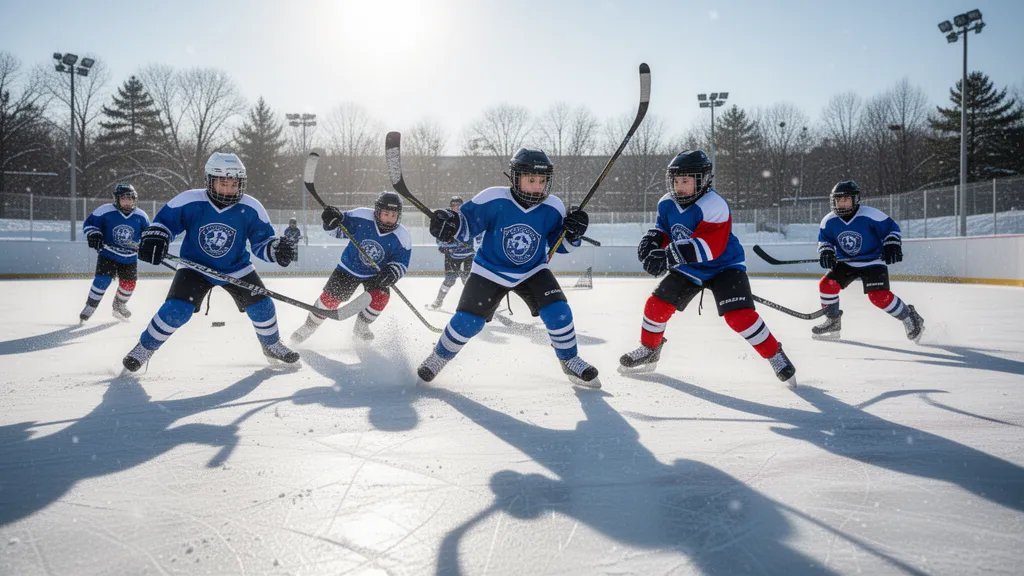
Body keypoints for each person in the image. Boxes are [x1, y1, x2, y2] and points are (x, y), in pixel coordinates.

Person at [417, 148, 600, 388]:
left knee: (559, 312)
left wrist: (574, 232)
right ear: (515, 177)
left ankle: (570, 359)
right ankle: (438, 358)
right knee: (468, 321)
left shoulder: (554, 207)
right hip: (489, 270)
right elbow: (466, 225)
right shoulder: (493, 198)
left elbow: (562, 246)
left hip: (532, 270)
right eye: (531, 179)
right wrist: (449, 223)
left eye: (542, 180)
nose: (537, 186)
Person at [618, 150, 797, 387]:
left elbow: (709, 247)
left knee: (739, 317)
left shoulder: (714, 205)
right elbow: (664, 229)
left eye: (686, 181)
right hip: (689, 268)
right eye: (676, 180)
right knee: (656, 306)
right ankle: (650, 349)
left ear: (701, 180)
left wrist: (667, 255)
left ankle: (775, 354)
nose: (679, 187)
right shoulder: (667, 203)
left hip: (725, 265)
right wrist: (653, 240)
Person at [121, 152, 298, 372]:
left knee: (263, 306)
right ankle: (143, 349)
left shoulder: (251, 207)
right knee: (176, 310)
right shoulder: (189, 200)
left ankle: (271, 345)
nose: (229, 189)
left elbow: (262, 243)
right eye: (223, 183)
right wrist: (156, 238)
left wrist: (276, 250)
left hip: (237, 268)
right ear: (209, 180)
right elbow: (164, 224)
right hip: (194, 267)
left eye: (234, 183)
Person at [290, 191, 412, 344]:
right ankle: (308, 327)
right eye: (386, 214)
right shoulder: (361, 216)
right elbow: (338, 230)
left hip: (376, 275)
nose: (389, 219)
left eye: (393, 215)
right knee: (329, 301)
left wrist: (392, 272)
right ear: (377, 211)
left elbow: (401, 262)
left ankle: (361, 327)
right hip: (348, 269)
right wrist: (330, 221)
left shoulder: (402, 236)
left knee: (381, 297)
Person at [812, 180, 924, 342]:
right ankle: (833, 321)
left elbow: (891, 229)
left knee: (878, 296)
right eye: (838, 200)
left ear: (855, 200)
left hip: (873, 261)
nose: (841, 203)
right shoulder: (829, 220)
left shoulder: (871, 215)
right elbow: (825, 240)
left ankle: (909, 316)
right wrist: (826, 251)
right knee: (826, 285)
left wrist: (892, 244)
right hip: (847, 262)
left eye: (845, 199)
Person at [79, 183, 150, 322]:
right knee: (102, 280)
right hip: (108, 254)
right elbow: (90, 224)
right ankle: (90, 305)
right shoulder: (105, 211)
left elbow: (147, 234)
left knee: (129, 284)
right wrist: (94, 234)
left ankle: (119, 305)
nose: (128, 202)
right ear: (117, 199)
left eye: (130, 198)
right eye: (124, 198)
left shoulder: (141, 216)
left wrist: (147, 244)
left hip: (129, 257)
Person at [428, 196, 479, 309]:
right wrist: (442, 246)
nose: (456, 207)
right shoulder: (447, 220)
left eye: (458, 205)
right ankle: (439, 301)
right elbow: (439, 237)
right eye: (454, 205)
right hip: (451, 256)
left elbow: (478, 235)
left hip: (468, 256)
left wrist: (480, 246)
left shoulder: (468, 219)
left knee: (468, 281)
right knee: (449, 280)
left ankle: (480, 302)